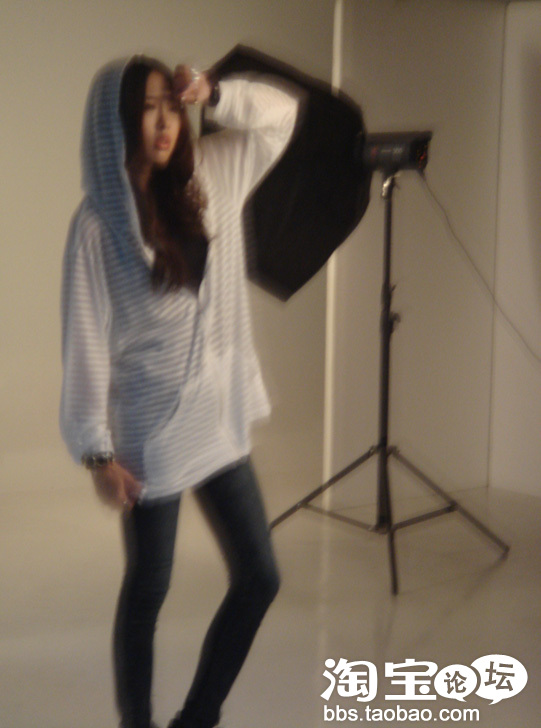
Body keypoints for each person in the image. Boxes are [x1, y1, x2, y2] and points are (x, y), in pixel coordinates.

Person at [60, 54, 300, 728]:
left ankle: (196, 719)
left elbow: (281, 119)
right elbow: (83, 343)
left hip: (216, 419)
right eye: (148, 109)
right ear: (116, 122)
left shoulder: (212, 176)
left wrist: (216, 93)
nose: (165, 122)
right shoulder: (97, 225)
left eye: (172, 105)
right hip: (150, 431)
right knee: (149, 590)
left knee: (259, 577)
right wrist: (96, 453)